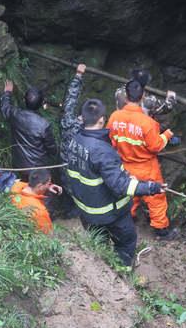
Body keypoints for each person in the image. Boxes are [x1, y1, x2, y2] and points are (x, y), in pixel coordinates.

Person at [63, 72, 164, 266]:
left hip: (86, 210)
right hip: (109, 212)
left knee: (98, 243)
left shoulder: (73, 141)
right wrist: (152, 188)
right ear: (101, 120)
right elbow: (120, 185)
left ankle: (102, 270)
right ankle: (121, 272)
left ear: (81, 118)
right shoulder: (102, 151)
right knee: (126, 242)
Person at [108, 80, 178, 239]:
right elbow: (156, 146)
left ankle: (127, 219)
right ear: (143, 97)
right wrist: (167, 135)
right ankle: (161, 230)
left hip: (124, 165)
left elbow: (111, 141)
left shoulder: (114, 117)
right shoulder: (148, 122)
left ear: (125, 96)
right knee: (156, 198)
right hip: (147, 168)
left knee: (129, 194)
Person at [1, 80, 59, 177]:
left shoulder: (16, 115)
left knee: (24, 188)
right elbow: (52, 149)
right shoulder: (44, 125)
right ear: (41, 104)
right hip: (38, 169)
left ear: (24, 100)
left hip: (20, 165)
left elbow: (5, 108)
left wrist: (7, 93)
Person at [0, 168, 61, 234]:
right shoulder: (39, 211)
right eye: (48, 183)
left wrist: (48, 186)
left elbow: (28, 185)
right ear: (40, 186)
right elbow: (48, 233)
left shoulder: (15, 187)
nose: (49, 185)